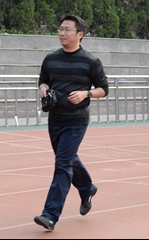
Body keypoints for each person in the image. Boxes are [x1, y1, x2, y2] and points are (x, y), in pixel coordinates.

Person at [34, 14, 109, 232]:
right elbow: (43, 80)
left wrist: (86, 94)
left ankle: (50, 215)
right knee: (66, 159)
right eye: (60, 29)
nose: (62, 33)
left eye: (67, 30)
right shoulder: (51, 58)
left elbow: (104, 89)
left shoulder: (91, 61)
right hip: (55, 118)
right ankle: (87, 188)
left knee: (62, 165)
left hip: (76, 121)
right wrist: (43, 89)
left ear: (80, 34)